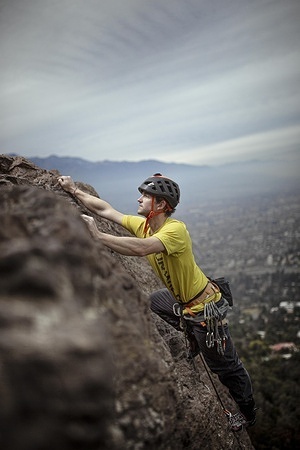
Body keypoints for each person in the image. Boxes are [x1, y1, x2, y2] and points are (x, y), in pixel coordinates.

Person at [58, 173, 256, 432]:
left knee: (225, 367)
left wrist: (99, 237)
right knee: (156, 301)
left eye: (145, 196)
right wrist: (74, 190)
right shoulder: (145, 226)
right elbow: (107, 210)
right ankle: (191, 330)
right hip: (183, 301)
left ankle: (247, 411)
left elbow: (141, 249)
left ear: (161, 205)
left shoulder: (174, 230)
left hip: (205, 308)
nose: (139, 199)